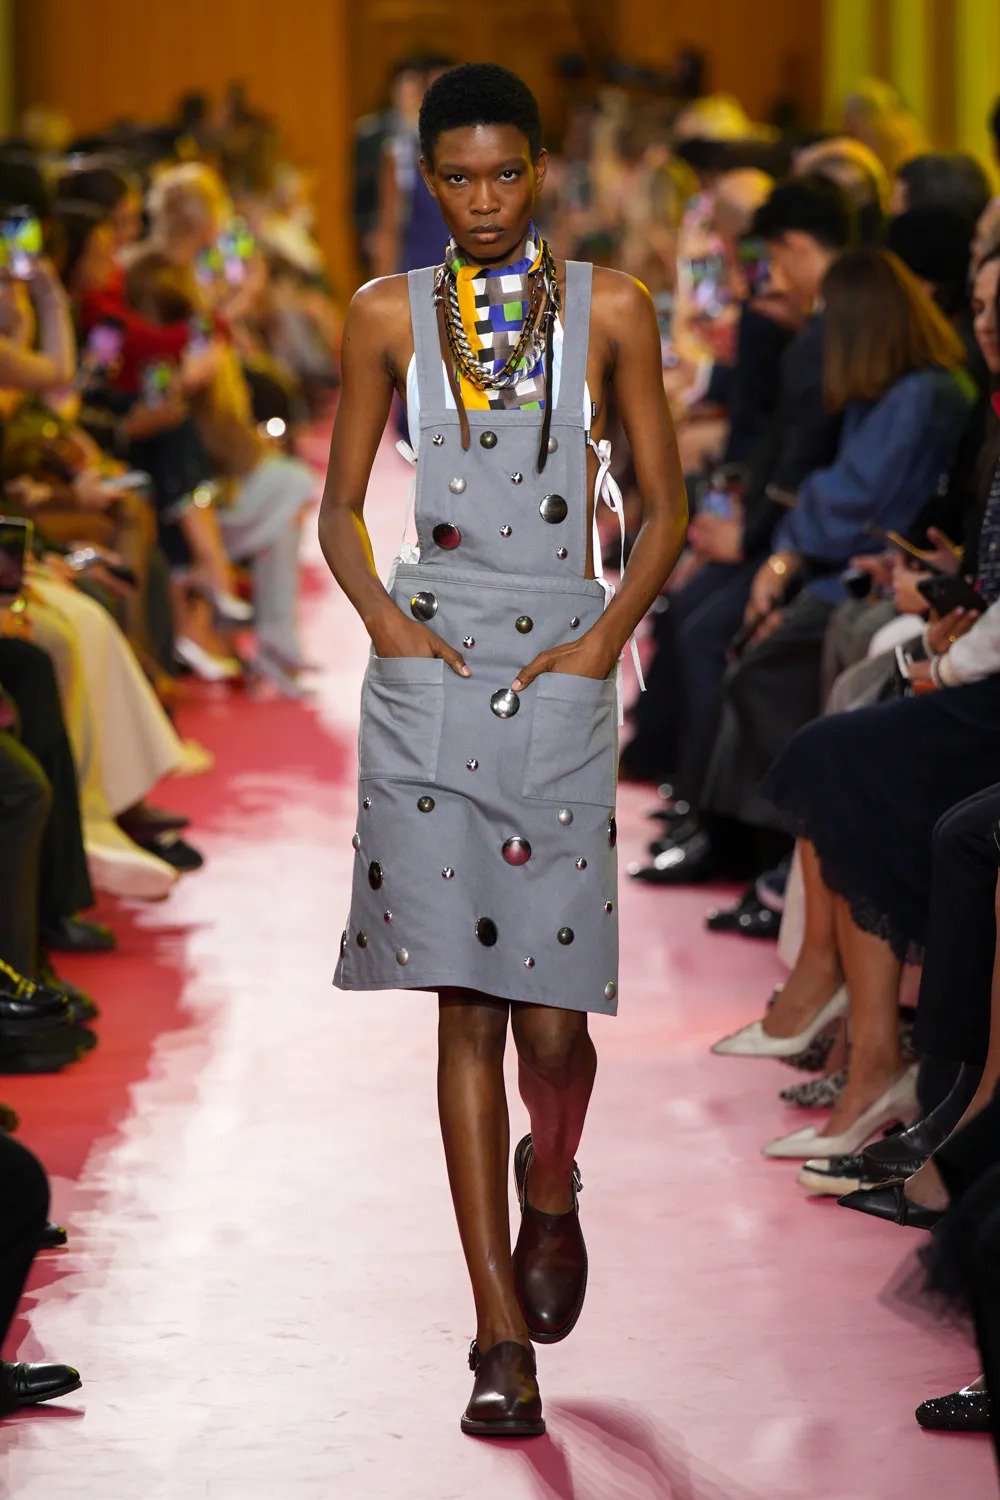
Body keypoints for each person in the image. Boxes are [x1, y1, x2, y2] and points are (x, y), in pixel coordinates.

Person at [318, 62, 686, 1437]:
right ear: (429, 180)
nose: (483, 200)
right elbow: (339, 509)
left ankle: (552, 1176)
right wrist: (387, 628)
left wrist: (603, 642)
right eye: (459, 177)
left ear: (542, 172)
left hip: (559, 667)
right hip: (434, 669)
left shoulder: (615, 309)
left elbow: (665, 505)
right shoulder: (383, 315)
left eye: (506, 173)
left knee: (554, 1020)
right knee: (464, 1005)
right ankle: (496, 1334)